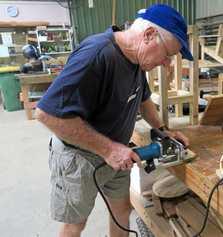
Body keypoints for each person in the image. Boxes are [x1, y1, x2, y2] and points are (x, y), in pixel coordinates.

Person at [36, 4, 193, 237]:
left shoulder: (137, 60)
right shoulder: (96, 55)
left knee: (121, 209)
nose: (166, 63)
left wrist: (162, 129)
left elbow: (144, 99)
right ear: (149, 35)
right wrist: (109, 149)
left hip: (117, 154)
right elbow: (47, 114)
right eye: (167, 54)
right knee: (76, 224)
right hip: (79, 158)